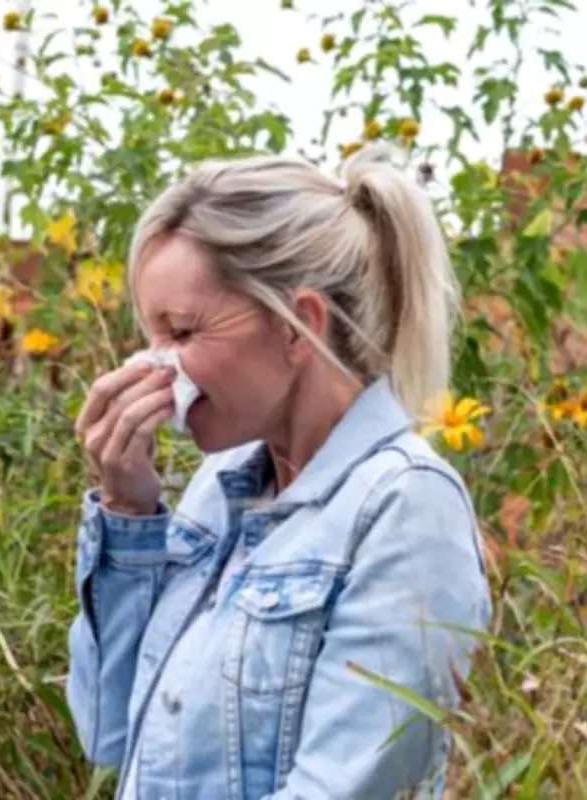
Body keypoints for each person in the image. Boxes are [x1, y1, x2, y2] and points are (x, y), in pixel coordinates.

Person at [67, 144, 491, 800]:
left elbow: (346, 788)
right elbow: (108, 733)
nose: (154, 368)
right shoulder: (221, 487)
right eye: (152, 338)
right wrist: (128, 514)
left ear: (299, 326)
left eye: (182, 333)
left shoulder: (404, 507)